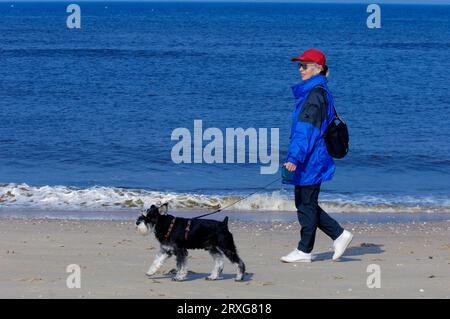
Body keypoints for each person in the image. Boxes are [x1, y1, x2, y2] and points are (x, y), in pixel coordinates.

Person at [280, 48, 353, 263]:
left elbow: (306, 130)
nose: (300, 69)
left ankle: (304, 250)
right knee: (306, 203)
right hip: (313, 157)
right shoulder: (317, 92)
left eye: (305, 65)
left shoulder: (314, 95)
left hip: (311, 158)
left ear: (318, 69)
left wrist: (294, 158)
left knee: (305, 204)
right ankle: (339, 235)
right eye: (299, 65)